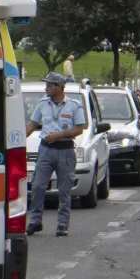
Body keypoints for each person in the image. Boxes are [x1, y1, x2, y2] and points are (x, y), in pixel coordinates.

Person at [26, 72, 85, 237]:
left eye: (49, 85)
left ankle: (62, 224)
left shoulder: (74, 105)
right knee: (37, 186)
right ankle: (35, 221)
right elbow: (32, 124)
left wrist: (60, 135)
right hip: (45, 149)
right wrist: (17, 139)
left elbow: (80, 129)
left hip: (65, 150)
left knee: (64, 189)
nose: (46, 88)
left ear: (58, 87)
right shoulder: (43, 104)